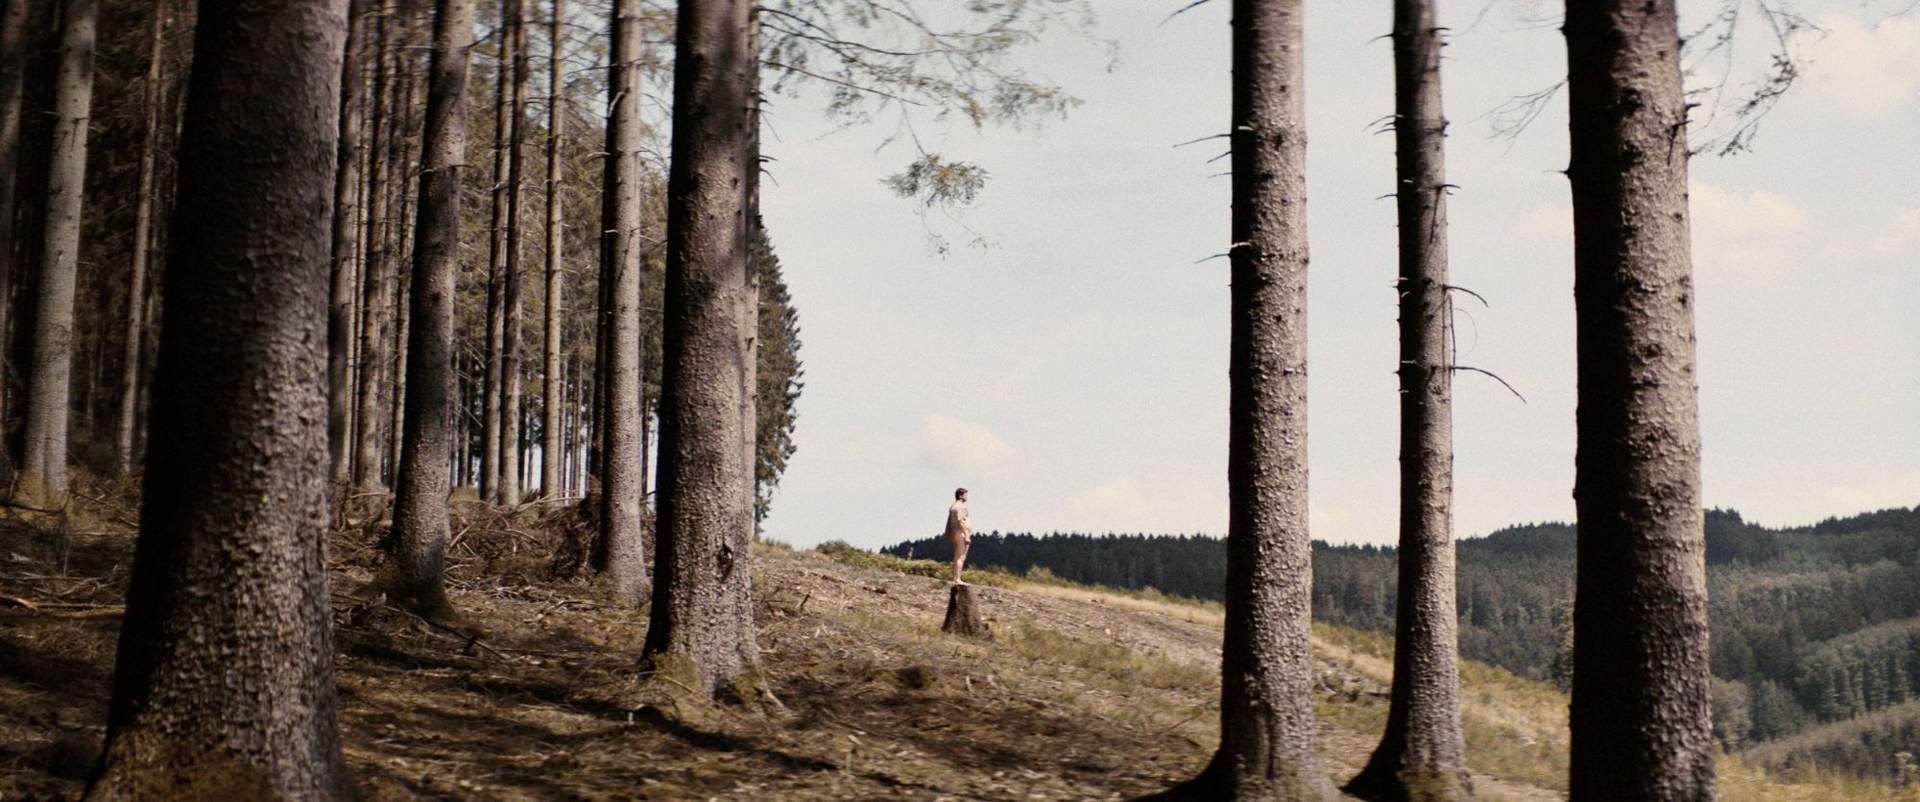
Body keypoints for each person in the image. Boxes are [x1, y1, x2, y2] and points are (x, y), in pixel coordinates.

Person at [945, 487, 972, 584]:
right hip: (961, 533)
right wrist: (967, 535)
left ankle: (955, 577)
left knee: (957, 556)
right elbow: (961, 521)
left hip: (955, 533)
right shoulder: (960, 507)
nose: (967, 497)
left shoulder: (953, 507)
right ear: (961, 495)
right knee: (961, 556)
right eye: (965, 494)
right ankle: (957, 578)